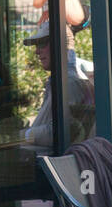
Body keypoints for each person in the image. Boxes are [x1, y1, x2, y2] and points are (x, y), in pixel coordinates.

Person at [23, 21, 95, 149]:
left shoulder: (68, 83)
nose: (37, 52)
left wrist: (24, 135)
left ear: (59, 45)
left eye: (42, 44)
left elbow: (61, 131)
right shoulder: (59, 81)